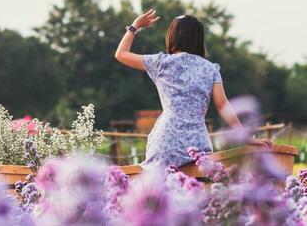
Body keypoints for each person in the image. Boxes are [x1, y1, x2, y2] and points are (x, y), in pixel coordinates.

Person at [114, 9, 269, 169]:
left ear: (172, 37)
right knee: (198, 190)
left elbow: (121, 54)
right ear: (199, 40)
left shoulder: (161, 63)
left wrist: (135, 26)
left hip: (165, 143)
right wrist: (245, 136)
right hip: (197, 146)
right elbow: (223, 105)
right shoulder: (210, 69)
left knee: (160, 192)